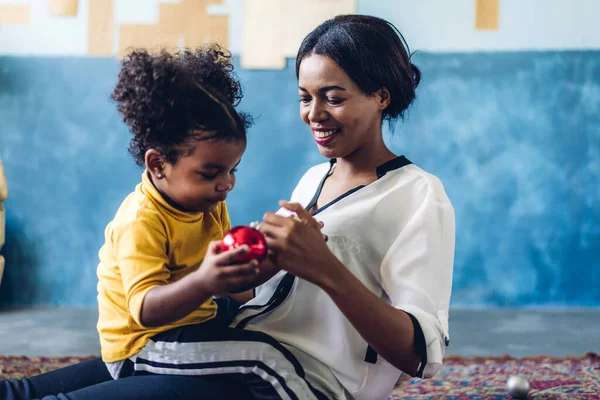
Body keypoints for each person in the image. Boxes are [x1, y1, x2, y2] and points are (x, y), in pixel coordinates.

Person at [1, 14, 455, 400]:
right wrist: (251, 261)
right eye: (304, 97)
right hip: (234, 344)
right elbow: (265, 296)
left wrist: (324, 267)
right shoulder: (318, 178)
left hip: (293, 378)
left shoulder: (419, 195)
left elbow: (417, 355)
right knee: (29, 390)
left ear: (381, 95)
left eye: (332, 97)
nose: (314, 114)